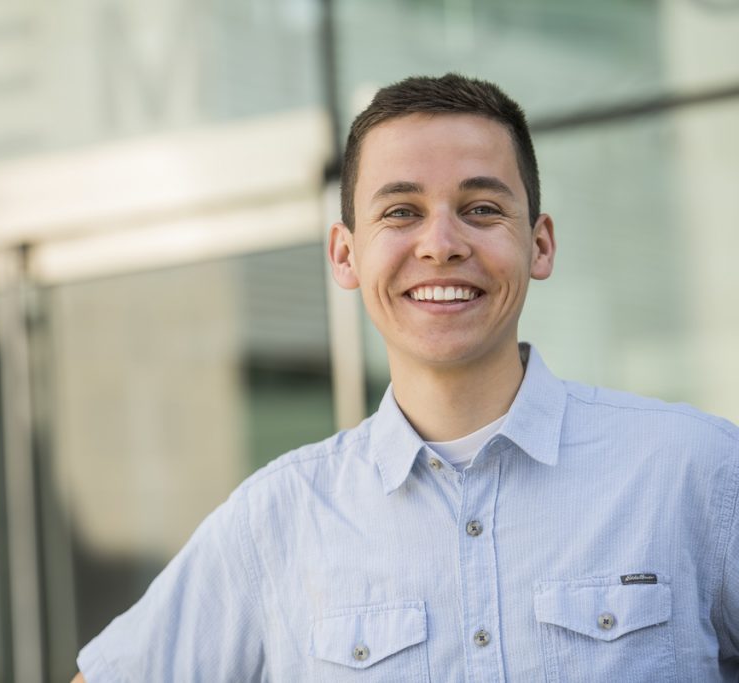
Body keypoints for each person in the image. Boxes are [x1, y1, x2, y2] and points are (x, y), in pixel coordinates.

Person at [71, 73, 739, 681]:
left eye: (481, 208)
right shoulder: (275, 522)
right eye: (400, 212)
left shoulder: (695, 471)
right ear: (345, 254)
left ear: (539, 244)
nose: (441, 244)